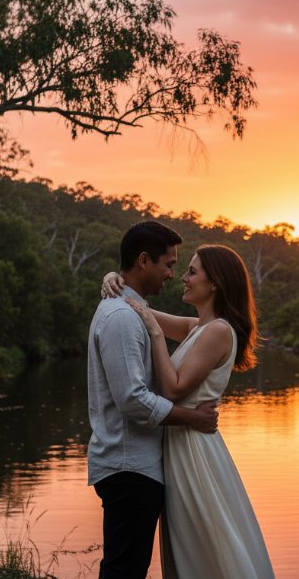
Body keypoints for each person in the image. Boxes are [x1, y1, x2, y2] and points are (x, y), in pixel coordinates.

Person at [101, 244, 276, 579]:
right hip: (181, 447)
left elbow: (173, 389)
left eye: (192, 271)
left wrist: (154, 336)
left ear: (215, 283)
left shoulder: (219, 331)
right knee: (191, 544)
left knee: (205, 543)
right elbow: (140, 308)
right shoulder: (198, 327)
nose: (183, 277)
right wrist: (114, 280)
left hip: (195, 453)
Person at [87, 221, 221, 579]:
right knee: (124, 570)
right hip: (128, 464)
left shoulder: (131, 312)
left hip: (137, 465)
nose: (172, 274)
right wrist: (192, 417)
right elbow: (133, 400)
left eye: (182, 268)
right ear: (144, 261)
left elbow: (202, 328)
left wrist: (115, 282)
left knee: (127, 567)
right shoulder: (121, 319)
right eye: (170, 264)